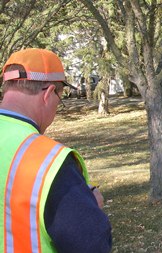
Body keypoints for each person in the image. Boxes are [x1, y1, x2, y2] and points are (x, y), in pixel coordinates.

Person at [0, 48, 112, 252]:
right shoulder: (45, 160)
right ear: (49, 93)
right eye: (59, 99)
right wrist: (90, 206)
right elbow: (91, 244)